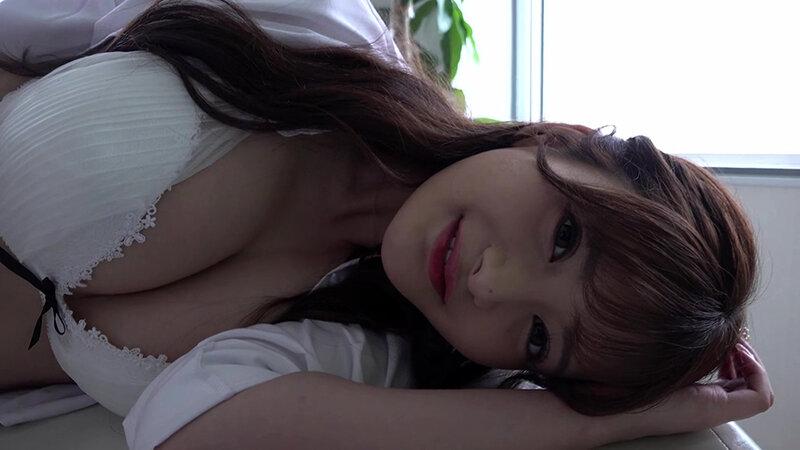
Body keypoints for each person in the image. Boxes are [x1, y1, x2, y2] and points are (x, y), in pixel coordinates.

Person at [0, 0, 773, 448]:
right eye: (563, 237)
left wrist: (589, 425)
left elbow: (179, 427)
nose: (491, 285)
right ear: (562, 139)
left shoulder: (368, 347)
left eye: (539, 337)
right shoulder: (316, 31)